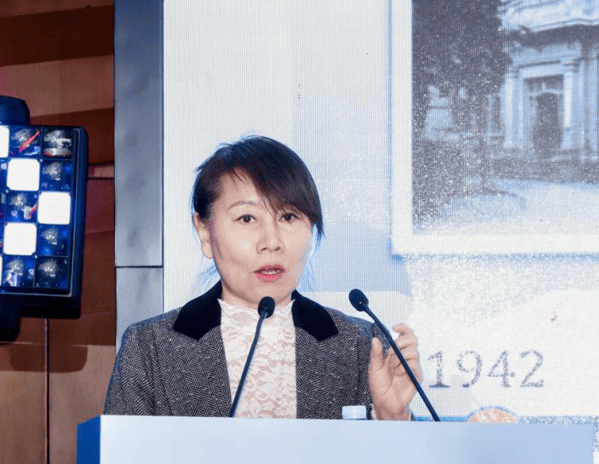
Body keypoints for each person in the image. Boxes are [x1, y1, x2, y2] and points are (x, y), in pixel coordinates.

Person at [104, 136, 421, 420]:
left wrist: (391, 416)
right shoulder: (150, 348)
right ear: (204, 231)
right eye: (247, 218)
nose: (271, 242)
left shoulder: (362, 346)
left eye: (288, 216)